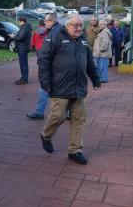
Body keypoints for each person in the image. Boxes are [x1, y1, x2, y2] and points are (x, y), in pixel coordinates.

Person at [38, 14, 100, 165]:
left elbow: (89, 61)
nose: (79, 28)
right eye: (76, 25)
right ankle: (46, 135)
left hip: (79, 88)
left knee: (79, 119)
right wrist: (45, 82)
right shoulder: (56, 36)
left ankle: (75, 151)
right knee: (58, 117)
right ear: (67, 25)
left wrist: (95, 78)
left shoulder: (83, 40)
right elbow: (43, 59)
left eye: (81, 26)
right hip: (60, 86)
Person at [15, 16, 32, 84]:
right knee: (22, 63)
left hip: (23, 47)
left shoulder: (25, 27)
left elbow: (20, 37)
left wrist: (14, 37)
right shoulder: (25, 27)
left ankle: (25, 79)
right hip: (22, 47)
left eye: (19, 21)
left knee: (23, 63)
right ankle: (23, 77)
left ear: (22, 21)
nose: (18, 23)